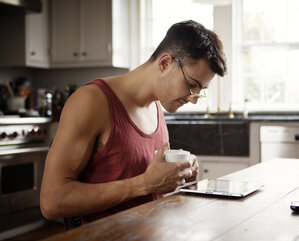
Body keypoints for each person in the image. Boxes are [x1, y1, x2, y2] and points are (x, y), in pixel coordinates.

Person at [40, 20, 227, 224]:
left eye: (200, 91)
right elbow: (52, 202)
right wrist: (144, 184)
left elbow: (149, 185)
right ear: (165, 63)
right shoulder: (91, 101)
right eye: (192, 85)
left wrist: (178, 175)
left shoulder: (156, 105)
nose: (193, 98)